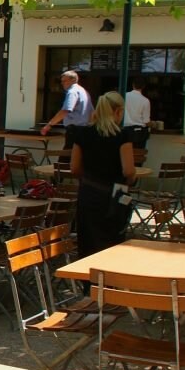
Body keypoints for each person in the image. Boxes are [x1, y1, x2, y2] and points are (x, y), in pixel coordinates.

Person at [71, 91, 137, 258]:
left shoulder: (82, 134)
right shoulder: (122, 135)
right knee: (112, 243)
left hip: (88, 194)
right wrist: (130, 180)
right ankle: (109, 282)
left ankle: (87, 282)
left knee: (87, 243)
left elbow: (74, 168)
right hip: (114, 196)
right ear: (118, 111)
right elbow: (128, 170)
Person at [41, 70, 94, 148]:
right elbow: (92, 112)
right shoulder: (83, 91)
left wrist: (49, 125)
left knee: (67, 157)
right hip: (85, 130)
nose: (62, 83)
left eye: (64, 81)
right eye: (61, 81)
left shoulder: (72, 92)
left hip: (75, 130)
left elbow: (65, 110)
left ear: (73, 80)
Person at [123, 77, 152, 149]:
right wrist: (153, 124)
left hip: (124, 131)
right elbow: (146, 121)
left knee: (124, 155)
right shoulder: (145, 101)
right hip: (139, 134)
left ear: (133, 85)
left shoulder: (124, 96)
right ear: (144, 86)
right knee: (138, 155)